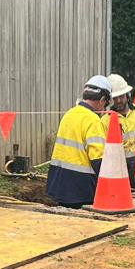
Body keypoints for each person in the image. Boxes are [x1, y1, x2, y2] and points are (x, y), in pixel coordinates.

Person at [45, 76, 112, 207]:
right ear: (102, 100)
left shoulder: (69, 114)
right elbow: (98, 159)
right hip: (81, 188)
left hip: (59, 183)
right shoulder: (93, 120)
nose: (104, 109)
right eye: (105, 104)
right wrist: (110, 184)